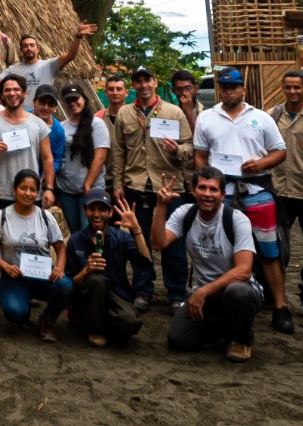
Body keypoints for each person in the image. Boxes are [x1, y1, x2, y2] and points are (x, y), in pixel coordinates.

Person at [193, 67, 292, 335]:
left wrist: (260, 163)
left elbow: (280, 151)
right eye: (224, 88)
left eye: (234, 87)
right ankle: (226, 300)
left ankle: (281, 307)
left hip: (256, 189)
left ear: (243, 89)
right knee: (222, 247)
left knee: (269, 249)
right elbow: (201, 155)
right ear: (219, 90)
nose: (229, 91)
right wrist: (203, 182)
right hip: (221, 193)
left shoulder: (261, 118)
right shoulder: (206, 118)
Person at [153, 167, 262, 362]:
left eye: (213, 190)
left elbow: (244, 271)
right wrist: (161, 206)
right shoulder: (185, 213)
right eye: (202, 188)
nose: (207, 194)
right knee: (179, 339)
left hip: (240, 290)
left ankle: (242, 339)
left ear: (223, 194)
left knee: (237, 292)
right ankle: (226, 328)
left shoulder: (237, 220)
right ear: (193, 190)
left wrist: (202, 292)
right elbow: (157, 243)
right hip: (205, 295)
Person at [109, 66, 190, 311]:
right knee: (138, 239)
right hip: (135, 184)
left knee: (172, 241)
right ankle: (143, 290)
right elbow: (118, 151)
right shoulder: (125, 113)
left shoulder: (173, 112)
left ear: (155, 82)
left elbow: (190, 146)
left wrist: (178, 150)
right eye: (138, 81)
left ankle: (176, 293)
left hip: (168, 185)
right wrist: (118, 183)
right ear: (133, 86)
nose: (143, 85)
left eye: (147, 80)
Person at [0, 169, 71, 342]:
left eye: (33, 189)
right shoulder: (1, 217)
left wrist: (60, 268)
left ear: (38, 193)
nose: (28, 193)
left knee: (66, 286)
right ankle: (21, 309)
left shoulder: (45, 216)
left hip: (43, 275)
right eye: (23, 188)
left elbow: (61, 248)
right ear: (14, 190)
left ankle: (47, 320)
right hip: (14, 276)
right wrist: (5, 267)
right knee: (15, 314)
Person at [269, 70, 303, 320]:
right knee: (275, 246)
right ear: (283, 88)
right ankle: (273, 294)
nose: (293, 92)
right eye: (288, 87)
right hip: (278, 191)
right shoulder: (272, 116)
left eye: (297, 88)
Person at [65, 191, 146, 347]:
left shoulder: (121, 238)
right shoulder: (76, 240)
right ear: (85, 211)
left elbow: (144, 264)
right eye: (92, 209)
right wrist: (86, 270)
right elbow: (71, 283)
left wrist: (136, 230)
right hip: (87, 295)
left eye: (102, 209)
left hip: (116, 293)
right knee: (96, 279)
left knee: (129, 324)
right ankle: (96, 330)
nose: (96, 214)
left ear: (110, 212)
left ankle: (100, 320)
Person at [0, 75, 56, 218]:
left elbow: (47, 158)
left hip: (31, 193)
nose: (12, 93)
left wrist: (49, 188)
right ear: (1, 94)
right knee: (1, 237)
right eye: (7, 90)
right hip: (1, 193)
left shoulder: (38, 124)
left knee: (31, 237)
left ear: (24, 93)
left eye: (16, 90)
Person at [2, 23, 97, 109]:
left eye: (32, 45)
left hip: (43, 113)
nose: (29, 48)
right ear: (21, 49)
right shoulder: (13, 70)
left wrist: (78, 36)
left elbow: (70, 56)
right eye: (25, 46)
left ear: (38, 48)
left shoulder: (49, 65)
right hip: (22, 116)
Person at [55, 85, 109, 236]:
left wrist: (88, 184)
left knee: (90, 232)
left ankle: (93, 260)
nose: (73, 103)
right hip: (66, 189)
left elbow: (100, 157)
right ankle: (79, 260)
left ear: (84, 99)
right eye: (68, 100)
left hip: (91, 189)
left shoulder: (97, 124)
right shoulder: (61, 126)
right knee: (75, 233)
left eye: (76, 99)